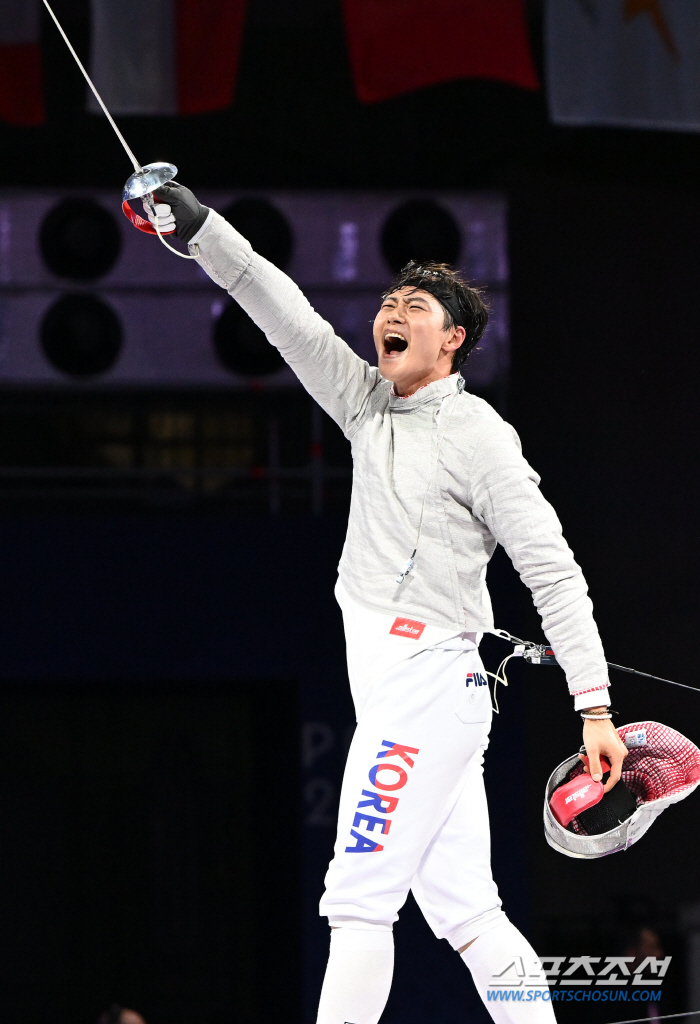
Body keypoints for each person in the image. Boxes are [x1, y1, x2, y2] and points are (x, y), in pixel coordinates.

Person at [144, 184, 629, 1024]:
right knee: (469, 914)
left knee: (359, 900)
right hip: (407, 692)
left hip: (427, 689)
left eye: (415, 306)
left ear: (455, 340)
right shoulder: (368, 407)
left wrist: (594, 705)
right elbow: (280, 308)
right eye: (388, 302)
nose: (391, 313)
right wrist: (198, 230)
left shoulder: (477, 434)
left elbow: (552, 569)